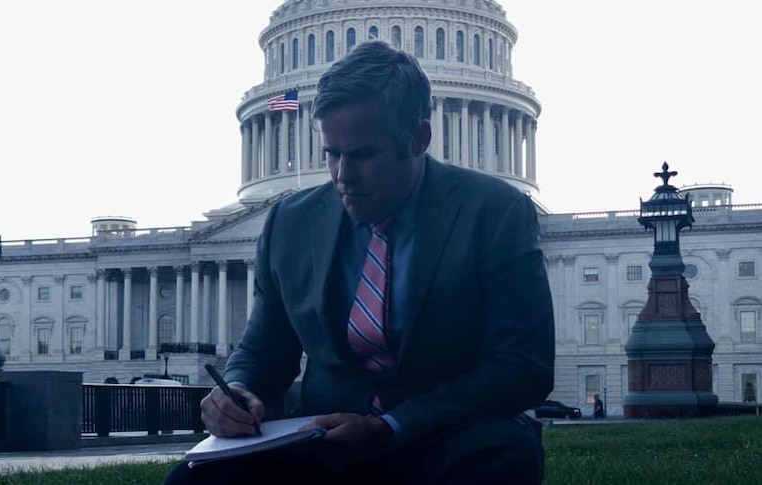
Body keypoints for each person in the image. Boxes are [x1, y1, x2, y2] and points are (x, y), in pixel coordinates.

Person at [164, 40, 555, 485]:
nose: (342, 176)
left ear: (418, 139)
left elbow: (524, 366)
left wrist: (391, 427)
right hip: (321, 439)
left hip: (443, 433)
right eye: (332, 153)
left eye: (363, 155)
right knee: (192, 479)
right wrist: (239, 391)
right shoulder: (290, 223)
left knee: (504, 457)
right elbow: (264, 350)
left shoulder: (494, 212)